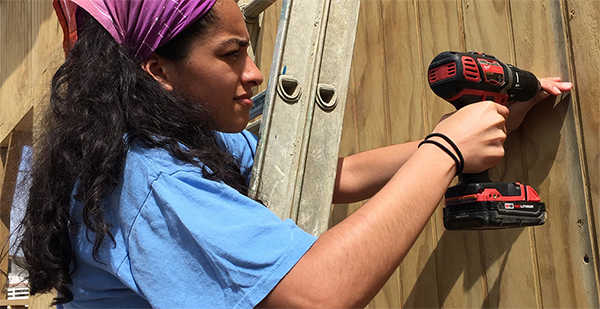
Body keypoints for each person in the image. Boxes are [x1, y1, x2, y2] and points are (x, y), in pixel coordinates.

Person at [17, 0, 573, 308]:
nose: (254, 74)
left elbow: (332, 176)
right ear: (157, 71)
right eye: (232, 55)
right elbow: (319, 294)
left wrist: (482, 125)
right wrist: (446, 149)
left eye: (250, 50)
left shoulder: (173, 135)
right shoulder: (148, 179)